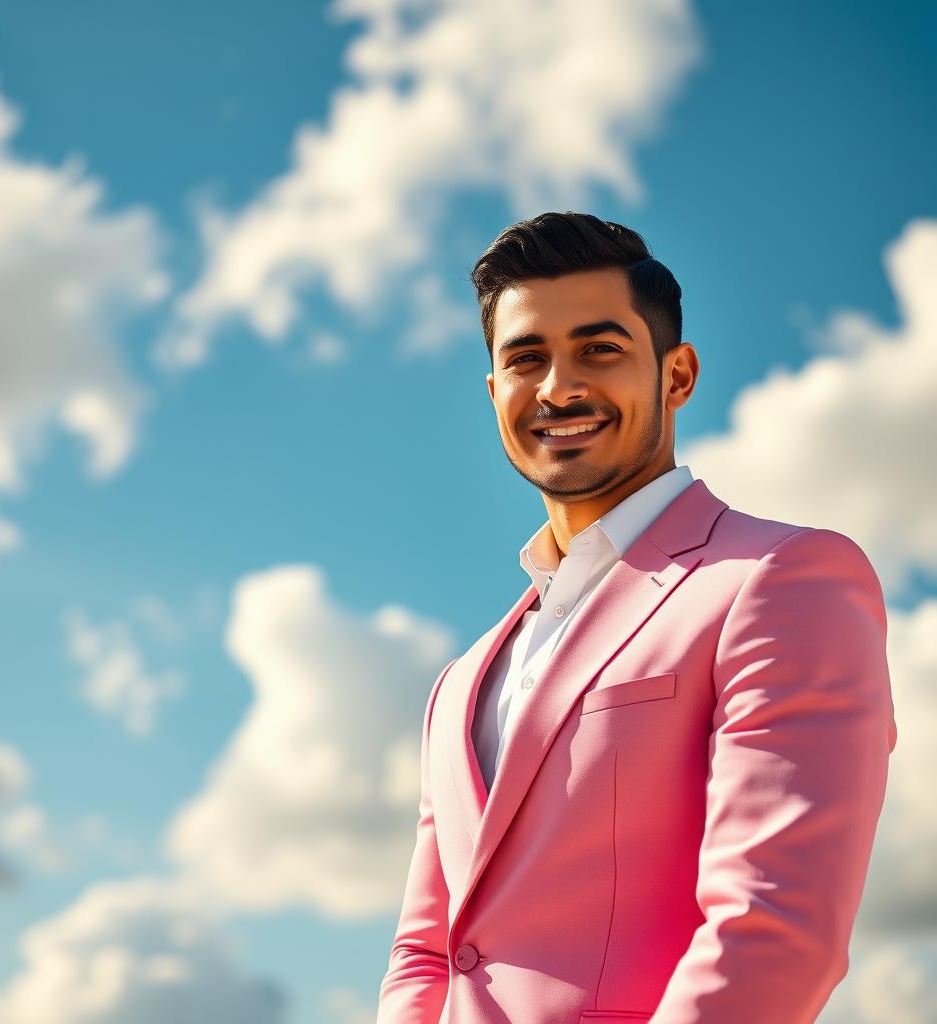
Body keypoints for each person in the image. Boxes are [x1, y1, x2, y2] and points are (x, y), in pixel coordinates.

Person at [375, 212, 898, 1024]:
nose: (558, 386)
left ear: (677, 375)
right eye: (526, 359)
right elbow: (425, 953)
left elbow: (771, 929)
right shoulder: (460, 683)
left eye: (600, 349)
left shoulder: (781, 580)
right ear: (494, 393)